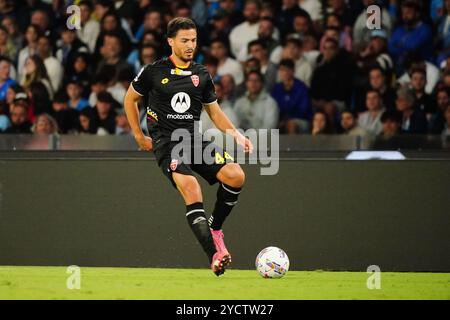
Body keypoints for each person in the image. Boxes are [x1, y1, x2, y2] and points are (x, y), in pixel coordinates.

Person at [123, 17, 253, 276]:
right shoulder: (153, 71)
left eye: (193, 40)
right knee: (192, 187)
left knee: (236, 175)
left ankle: (215, 228)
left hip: (194, 140)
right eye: (184, 40)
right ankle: (215, 255)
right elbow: (130, 99)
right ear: (170, 41)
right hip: (166, 143)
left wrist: (237, 136)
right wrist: (138, 135)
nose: (190, 45)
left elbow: (214, 113)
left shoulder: (201, 74)